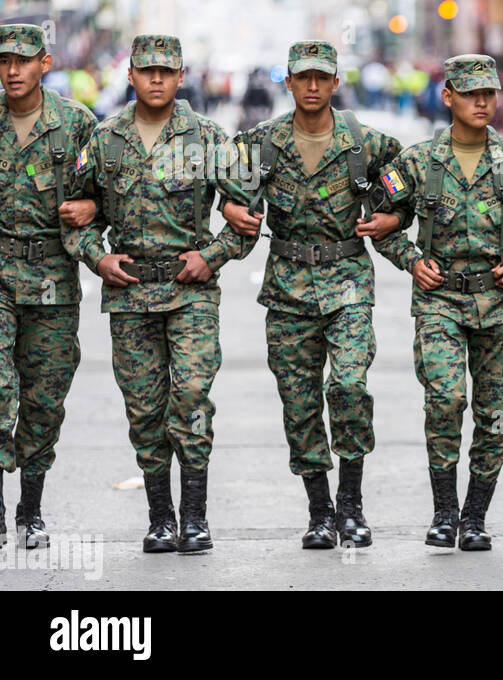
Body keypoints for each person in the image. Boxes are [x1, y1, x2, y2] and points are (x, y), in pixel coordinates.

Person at [65, 35, 246, 554]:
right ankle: (160, 518)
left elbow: (247, 219)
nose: (157, 79)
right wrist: (96, 257)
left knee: (190, 397)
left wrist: (209, 256)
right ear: (131, 75)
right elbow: (74, 216)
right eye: (147, 71)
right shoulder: (104, 140)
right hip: (130, 296)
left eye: (166, 70)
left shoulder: (209, 137)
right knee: (144, 410)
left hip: (191, 292)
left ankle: (195, 518)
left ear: (182, 75)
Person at [221, 41, 403, 549]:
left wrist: (395, 218)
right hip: (287, 289)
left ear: (336, 82)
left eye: (322, 77)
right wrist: (230, 209)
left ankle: (351, 505)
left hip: (347, 283)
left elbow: (414, 180)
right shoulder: (262, 144)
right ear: (289, 83)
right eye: (304, 78)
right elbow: (216, 179)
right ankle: (319, 511)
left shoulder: (365, 143)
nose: (313, 86)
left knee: (348, 387)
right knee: (298, 405)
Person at [369, 54, 503, 551]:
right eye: (471, 93)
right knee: (445, 401)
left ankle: (475, 517)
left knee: (495, 415)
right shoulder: (415, 163)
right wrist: (409, 259)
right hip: (440, 300)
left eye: (489, 94)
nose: (481, 102)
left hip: (502, 302)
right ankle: (445, 513)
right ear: (447, 96)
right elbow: (381, 224)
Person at [0, 23, 98, 549]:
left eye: (22, 61)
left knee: (43, 402)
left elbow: (109, 190)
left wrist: (93, 207)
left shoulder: (76, 125)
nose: (12, 71)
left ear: (45, 63)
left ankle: (30, 510)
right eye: (3, 62)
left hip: (53, 285)